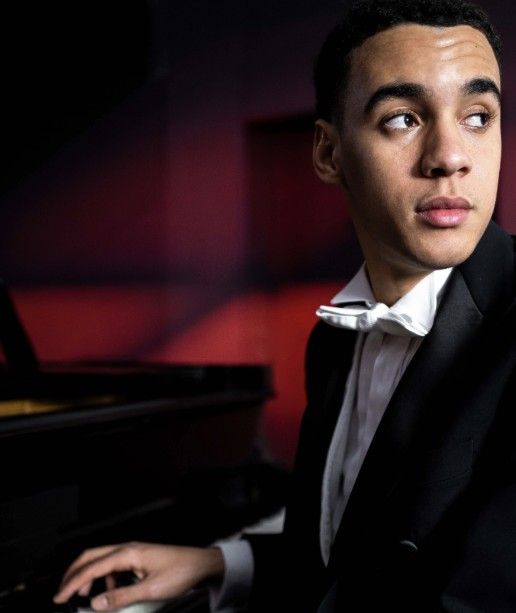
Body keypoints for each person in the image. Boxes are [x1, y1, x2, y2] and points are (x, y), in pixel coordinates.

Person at [54, 0, 516, 610]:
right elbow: (351, 561)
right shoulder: (333, 342)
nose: (451, 156)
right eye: (403, 118)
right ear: (328, 153)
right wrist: (221, 563)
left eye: (478, 116)